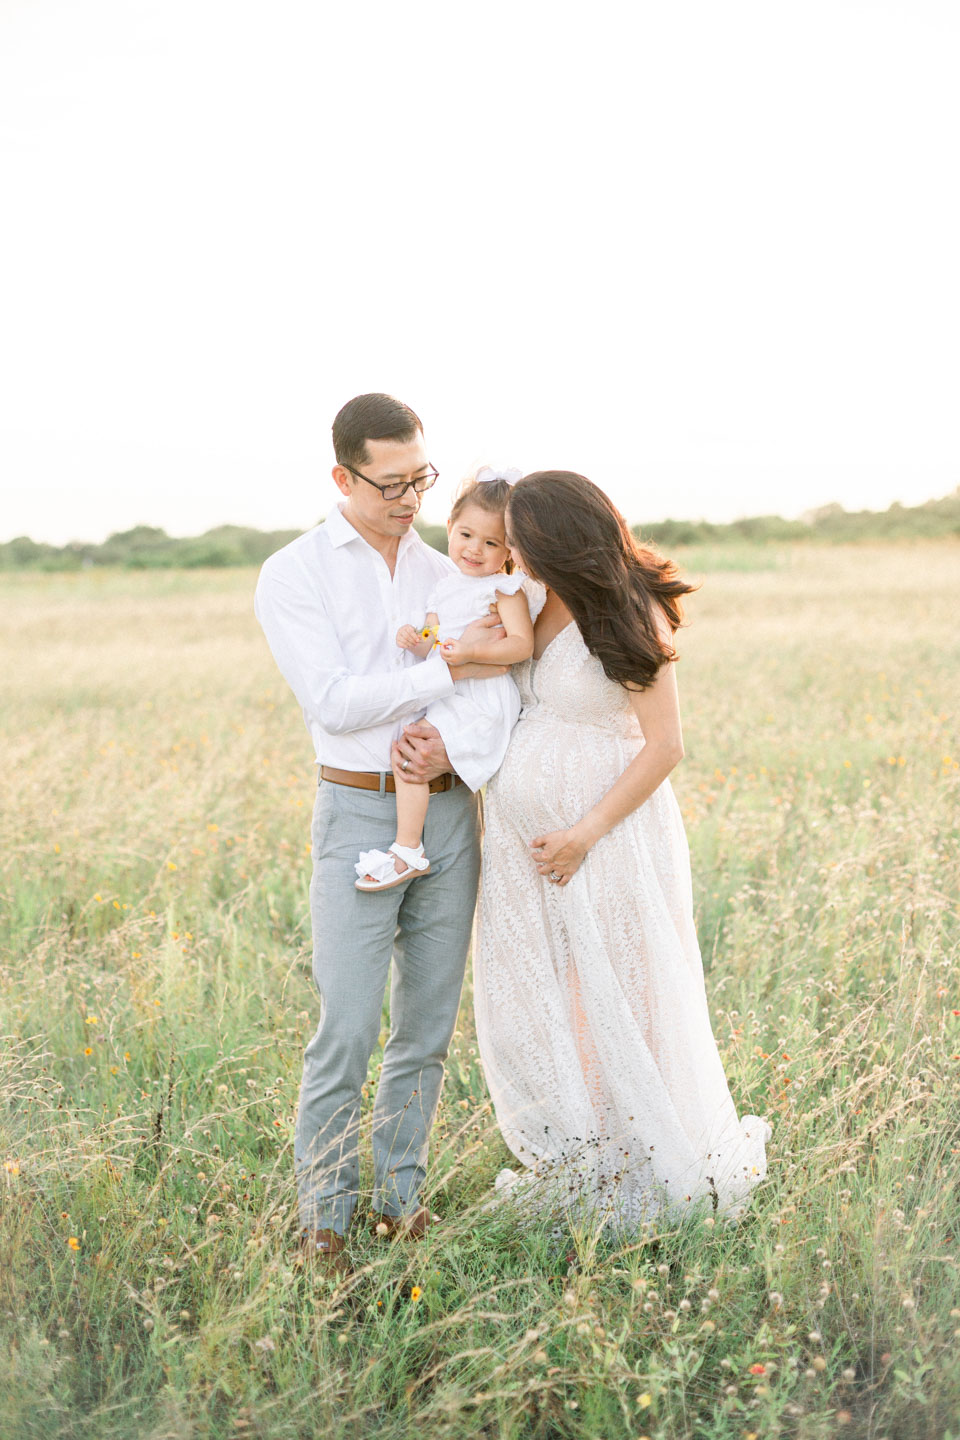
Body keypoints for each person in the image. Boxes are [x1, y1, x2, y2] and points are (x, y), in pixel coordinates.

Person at [474, 471, 771, 1229]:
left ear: (557, 537)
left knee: (619, 992)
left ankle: (642, 1162)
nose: (512, 550)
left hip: (605, 839)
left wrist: (584, 831)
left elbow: (665, 745)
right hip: (527, 850)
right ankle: (587, 1152)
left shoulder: (627, 611)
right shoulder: (535, 601)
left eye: (521, 537)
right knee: (555, 993)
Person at [254, 393, 504, 1274]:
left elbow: (487, 693)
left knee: (427, 1029)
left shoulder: (451, 573)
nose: (411, 498)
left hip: (450, 808)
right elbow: (333, 699)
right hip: (359, 807)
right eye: (392, 482)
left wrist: (453, 727)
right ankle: (324, 1218)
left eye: (422, 479)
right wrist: (447, 666)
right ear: (342, 476)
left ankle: (401, 1203)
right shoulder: (295, 573)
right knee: (350, 1026)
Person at [354, 467, 536, 892]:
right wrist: (417, 642)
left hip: (482, 698)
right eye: (467, 535)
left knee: (409, 752)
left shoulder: (504, 589)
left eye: (491, 543)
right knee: (409, 750)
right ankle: (409, 848)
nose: (475, 550)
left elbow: (520, 646)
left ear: (509, 548)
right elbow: (436, 645)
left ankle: (407, 849)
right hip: (451, 690)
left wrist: (472, 651)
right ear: (450, 527)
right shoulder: (442, 588)